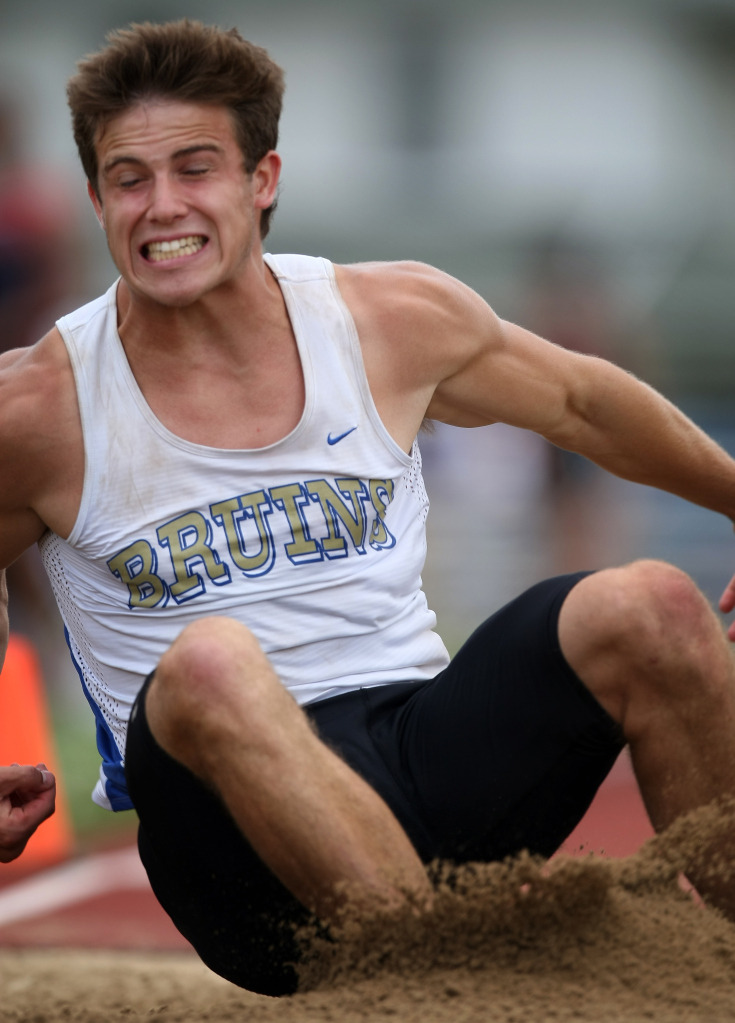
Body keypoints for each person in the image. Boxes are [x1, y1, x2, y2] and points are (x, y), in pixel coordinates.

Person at [2, 19, 735, 996]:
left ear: (262, 179)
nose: (161, 206)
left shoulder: (388, 320)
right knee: (209, 663)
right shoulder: (41, 405)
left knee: (656, 604)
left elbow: (584, 404)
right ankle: (451, 994)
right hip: (232, 847)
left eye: (195, 167)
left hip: (419, 761)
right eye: (129, 178)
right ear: (95, 198)